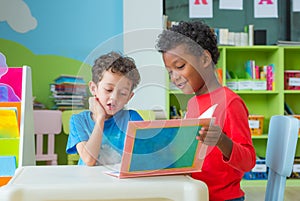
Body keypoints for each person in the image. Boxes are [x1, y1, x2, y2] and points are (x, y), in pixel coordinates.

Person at [156, 21, 256, 201]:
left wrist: (221, 140)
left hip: (223, 198)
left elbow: (248, 161)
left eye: (179, 67)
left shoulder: (230, 102)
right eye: (170, 72)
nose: (174, 77)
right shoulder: (193, 103)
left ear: (204, 59)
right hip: (195, 193)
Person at [66, 51, 143, 166]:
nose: (114, 98)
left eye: (122, 93)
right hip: (90, 182)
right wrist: (100, 119)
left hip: (120, 183)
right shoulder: (78, 121)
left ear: (129, 97)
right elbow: (89, 160)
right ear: (93, 88)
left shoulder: (132, 118)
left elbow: (147, 154)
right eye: (108, 89)